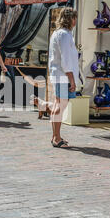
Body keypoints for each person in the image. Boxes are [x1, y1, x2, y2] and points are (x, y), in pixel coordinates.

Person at [48, 8, 79, 148]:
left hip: (59, 73)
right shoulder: (65, 35)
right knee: (60, 106)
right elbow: (66, 60)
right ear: (71, 19)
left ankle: (56, 135)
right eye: (75, 18)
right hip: (63, 75)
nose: (76, 21)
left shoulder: (58, 33)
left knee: (58, 105)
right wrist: (72, 79)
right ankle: (56, 137)